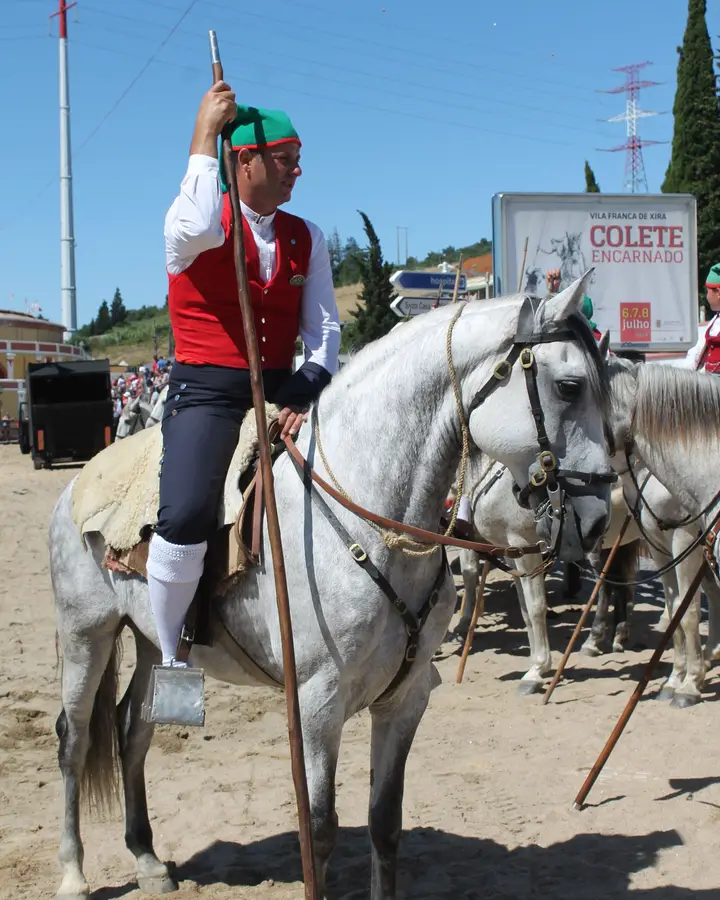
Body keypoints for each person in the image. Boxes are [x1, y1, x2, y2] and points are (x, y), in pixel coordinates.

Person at [146, 81, 341, 668]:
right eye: (286, 160)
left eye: (299, 161)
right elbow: (201, 224)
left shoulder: (308, 236)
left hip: (284, 388)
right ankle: (171, 650)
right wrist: (206, 134)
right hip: (207, 391)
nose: (296, 172)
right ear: (245, 159)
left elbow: (326, 331)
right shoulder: (194, 221)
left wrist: (306, 387)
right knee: (184, 515)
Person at [683, 264, 720, 372]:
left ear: (718, 292)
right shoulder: (715, 321)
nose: (707, 296)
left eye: (708, 291)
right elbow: (696, 353)